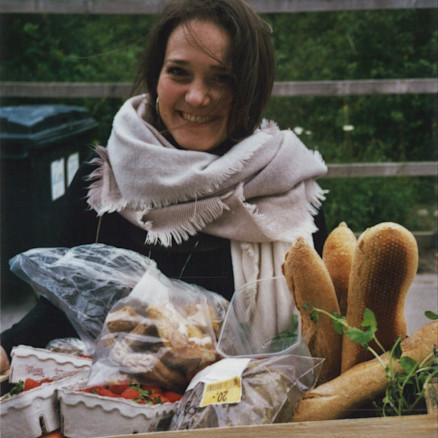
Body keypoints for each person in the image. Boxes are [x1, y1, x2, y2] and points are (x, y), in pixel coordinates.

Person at [0, 0, 327, 373]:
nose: (197, 97)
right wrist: (7, 347)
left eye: (222, 78)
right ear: (157, 76)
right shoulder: (104, 182)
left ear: (250, 88)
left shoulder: (286, 191)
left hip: (251, 415)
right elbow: (64, 307)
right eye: (179, 73)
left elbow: (326, 326)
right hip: (116, 412)